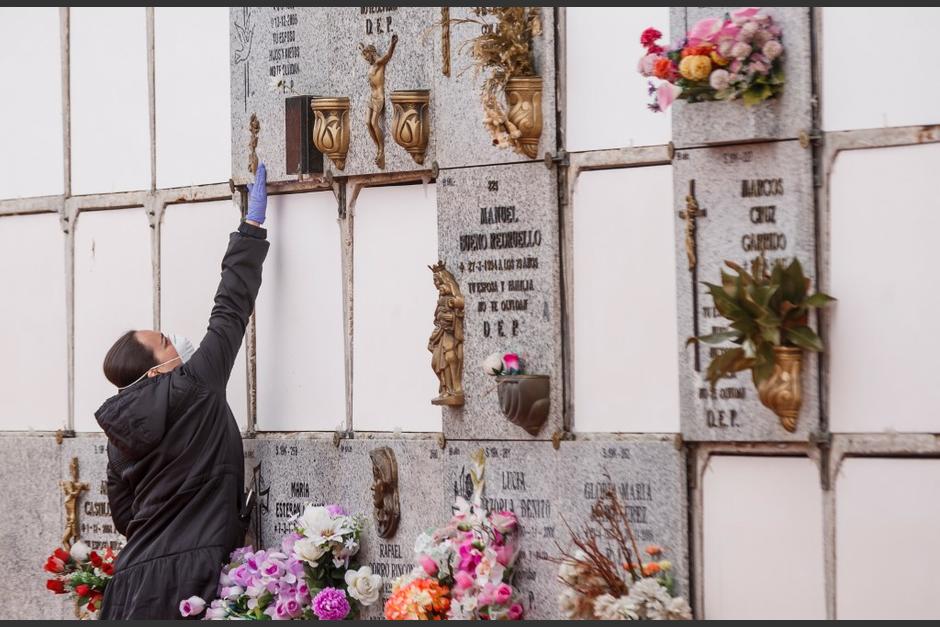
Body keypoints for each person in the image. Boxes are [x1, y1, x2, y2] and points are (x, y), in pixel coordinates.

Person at [94, 163, 270, 619]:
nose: (176, 341)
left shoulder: (117, 436)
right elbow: (230, 309)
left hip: (131, 585)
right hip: (192, 582)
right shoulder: (196, 384)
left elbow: (126, 519)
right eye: (165, 342)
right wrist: (251, 230)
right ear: (154, 371)